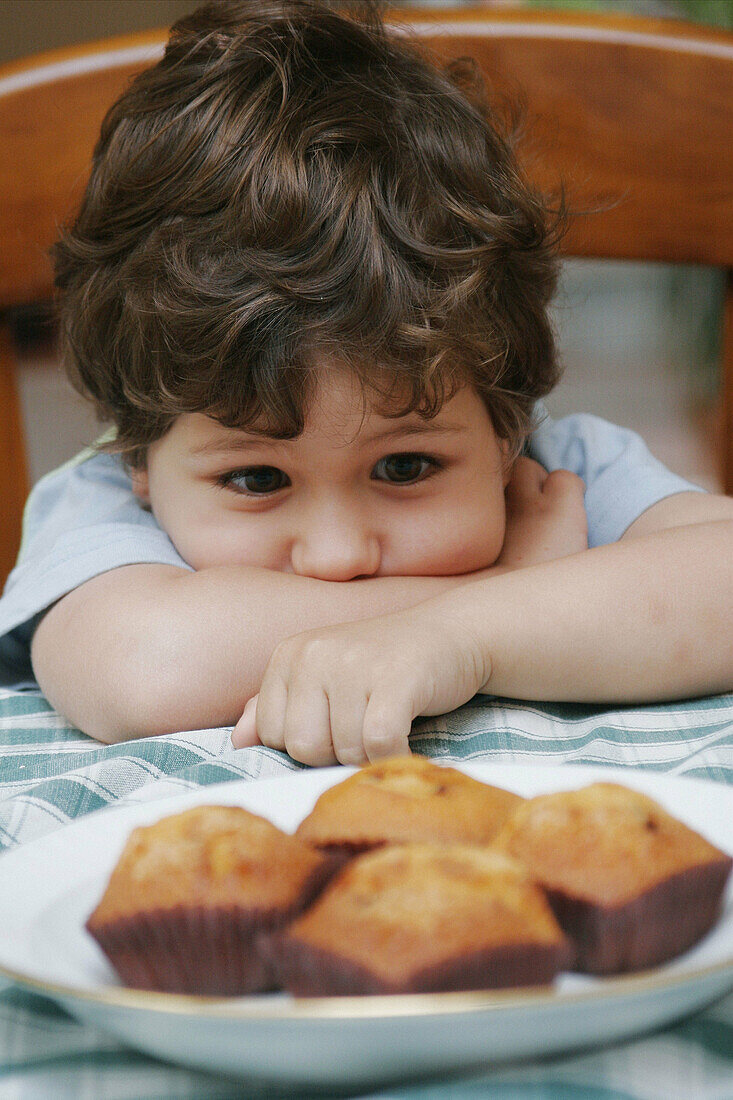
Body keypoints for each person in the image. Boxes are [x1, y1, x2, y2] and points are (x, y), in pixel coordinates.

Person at [1, 0, 731, 766]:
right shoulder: (101, 513)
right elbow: (149, 669)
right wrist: (518, 582)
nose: (337, 554)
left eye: (404, 467)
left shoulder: (556, 477)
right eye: (256, 477)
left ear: (505, 426)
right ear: (138, 458)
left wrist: (464, 637)